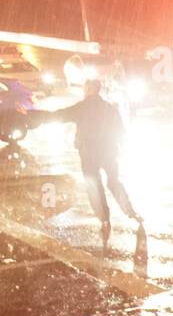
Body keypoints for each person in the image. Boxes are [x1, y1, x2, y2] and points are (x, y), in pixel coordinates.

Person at [49, 80, 142, 250]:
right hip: (108, 151)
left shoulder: (82, 107)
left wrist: (35, 117)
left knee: (94, 185)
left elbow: (60, 115)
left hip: (89, 153)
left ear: (90, 89)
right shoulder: (110, 108)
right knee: (114, 182)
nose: (84, 90)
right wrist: (120, 149)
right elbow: (121, 132)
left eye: (86, 87)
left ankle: (104, 219)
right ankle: (131, 212)